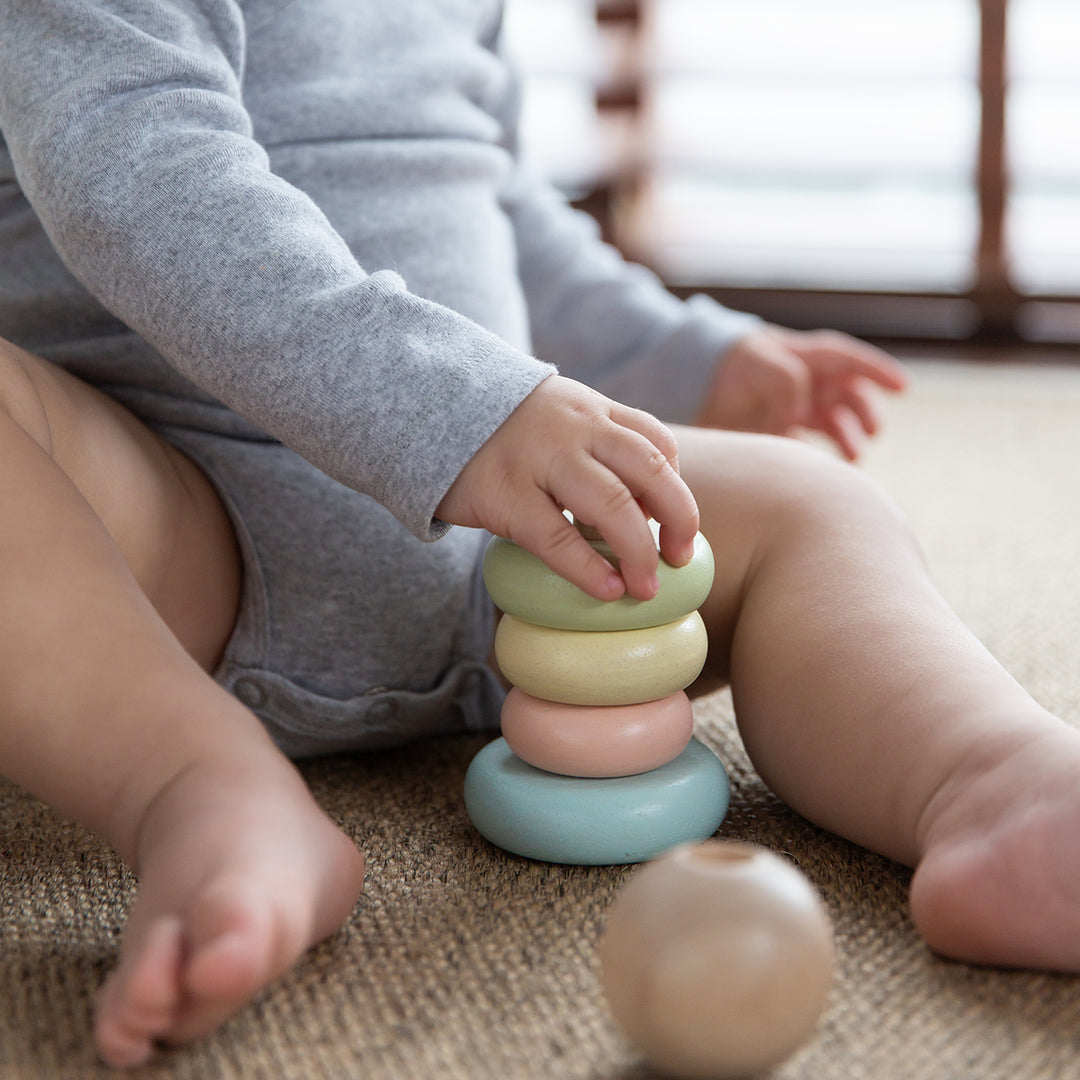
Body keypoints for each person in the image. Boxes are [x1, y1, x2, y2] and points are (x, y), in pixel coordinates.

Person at [1, 0, 1079, 1068]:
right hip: (177, 539)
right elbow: (132, 163)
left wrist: (686, 354)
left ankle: (986, 781)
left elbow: (498, 206)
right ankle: (197, 786)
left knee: (807, 506)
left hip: (509, 553)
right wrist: (456, 415)